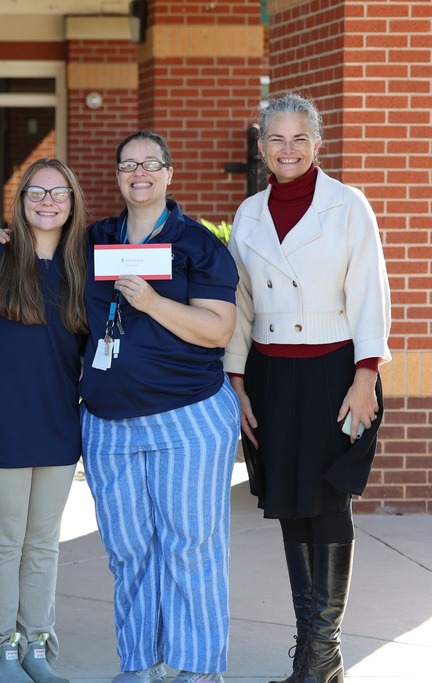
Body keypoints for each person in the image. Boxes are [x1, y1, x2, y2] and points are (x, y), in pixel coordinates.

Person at [224, 93, 391, 683]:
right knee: (292, 507)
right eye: (276, 139)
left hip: (335, 374)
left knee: (328, 502)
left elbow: (370, 292)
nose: (287, 150)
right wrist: (237, 382)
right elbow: (239, 306)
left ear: (317, 143)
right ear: (262, 145)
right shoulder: (248, 214)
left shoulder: (349, 206)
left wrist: (366, 375)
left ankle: (323, 653)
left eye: (299, 138)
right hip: (271, 377)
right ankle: (314, 658)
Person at [81, 131, 239, 683]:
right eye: (129, 164)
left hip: (188, 419)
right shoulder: (96, 238)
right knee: (128, 551)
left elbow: (218, 329)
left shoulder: (197, 243)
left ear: (170, 174)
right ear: (118, 175)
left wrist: (151, 301)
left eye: (151, 164)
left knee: (191, 547)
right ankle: (140, 665)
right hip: (107, 424)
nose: (139, 173)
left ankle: (198, 669)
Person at [0, 159, 88, 683]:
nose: (48, 200)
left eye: (59, 192)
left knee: (42, 543)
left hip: (58, 420)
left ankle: (37, 645)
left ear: (73, 202)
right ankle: (0, 653)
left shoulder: (84, 265)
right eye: (37, 191)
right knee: (5, 540)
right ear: (21, 200)